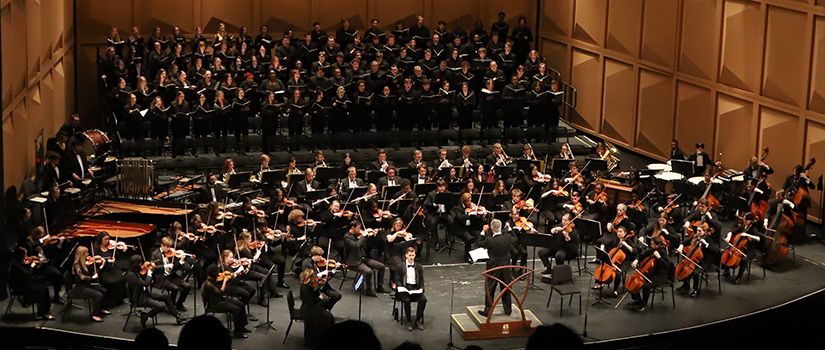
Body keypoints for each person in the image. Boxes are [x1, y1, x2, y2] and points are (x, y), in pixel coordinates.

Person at [125, 255, 186, 327]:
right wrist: (149, 275)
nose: (141, 265)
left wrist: (154, 268)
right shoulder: (131, 276)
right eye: (140, 264)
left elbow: (150, 272)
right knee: (161, 306)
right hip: (139, 299)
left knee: (166, 297)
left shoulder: (136, 271)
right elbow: (145, 284)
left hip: (144, 294)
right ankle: (146, 316)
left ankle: (177, 317)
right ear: (136, 264)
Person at [477, 219, 517, 317]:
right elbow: (515, 238)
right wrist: (510, 229)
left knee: (490, 288)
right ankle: (508, 309)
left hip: (493, 267)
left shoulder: (490, 240)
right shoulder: (507, 237)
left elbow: (479, 243)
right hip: (506, 266)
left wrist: (483, 232)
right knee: (506, 287)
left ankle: (488, 310)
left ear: (491, 228)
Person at [201, 266, 250, 339]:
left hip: (221, 299)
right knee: (236, 310)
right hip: (215, 304)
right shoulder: (208, 284)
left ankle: (242, 327)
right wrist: (224, 281)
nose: (218, 274)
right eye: (217, 272)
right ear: (213, 273)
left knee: (241, 304)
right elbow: (220, 292)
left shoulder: (214, 280)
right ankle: (237, 332)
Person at [343, 220, 388, 297]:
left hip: (363, 258)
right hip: (354, 261)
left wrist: (372, 237)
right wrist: (363, 236)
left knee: (381, 266)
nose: (360, 230)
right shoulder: (346, 237)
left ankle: (380, 286)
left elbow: (369, 246)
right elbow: (355, 246)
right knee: (368, 271)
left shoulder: (359, 236)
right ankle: (368, 290)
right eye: (358, 228)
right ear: (353, 227)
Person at [628, 236, 671, 311]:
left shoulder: (663, 252)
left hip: (659, 276)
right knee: (633, 280)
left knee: (646, 286)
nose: (651, 246)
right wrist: (636, 260)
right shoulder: (651, 250)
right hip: (649, 273)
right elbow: (641, 255)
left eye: (652, 244)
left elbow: (667, 265)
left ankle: (643, 304)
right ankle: (637, 300)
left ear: (658, 245)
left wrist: (659, 258)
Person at [150, 237, 191, 311]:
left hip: (171, 276)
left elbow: (175, 267)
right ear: (162, 245)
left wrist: (181, 260)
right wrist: (166, 266)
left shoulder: (171, 254)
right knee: (175, 288)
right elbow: (154, 268)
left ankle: (179, 304)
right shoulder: (155, 254)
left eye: (170, 247)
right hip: (162, 278)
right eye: (167, 247)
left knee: (187, 286)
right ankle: (171, 306)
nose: (169, 249)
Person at [298, 268, 335, 347]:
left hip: (311, 306)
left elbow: (313, 294)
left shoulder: (309, 284)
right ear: (309, 278)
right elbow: (311, 301)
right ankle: (321, 338)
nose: (315, 278)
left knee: (327, 313)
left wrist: (320, 286)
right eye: (313, 277)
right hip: (308, 309)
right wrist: (319, 298)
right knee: (328, 317)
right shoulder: (304, 288)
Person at [72, 246, 109, 322]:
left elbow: (93, 273)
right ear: (82, 254)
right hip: (80, 288)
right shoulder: (77, 265)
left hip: (87, 285)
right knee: (98, 295)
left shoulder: (86, 262)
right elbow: (82, 277)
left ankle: (100, 308)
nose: (88, 254)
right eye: (86, 253)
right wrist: (92, 277)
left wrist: (101, 266)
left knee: (103, 290)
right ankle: (94, 314)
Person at [394, 247, 427, 331]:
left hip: (415, 288)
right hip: (405, 288)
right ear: (406, 256)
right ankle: (408, 321)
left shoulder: (418, 266)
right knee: (407, 300)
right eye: (410, 255)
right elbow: (397, 280)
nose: (411, 257)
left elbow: (422, 279)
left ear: (415, 255)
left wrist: (422, 288)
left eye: (413, 255)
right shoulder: (400, 266)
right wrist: (401, 287)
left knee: (423, 299)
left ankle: (418, 320)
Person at [300, 246, 342, 311]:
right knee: (324, 299)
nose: (321, 258)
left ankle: (326, 309)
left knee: (337, 296)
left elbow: (327, 276)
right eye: (319, 256)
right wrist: (321, 274)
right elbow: (309, 278)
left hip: (322, 284)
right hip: (313, 287)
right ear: (314, 255)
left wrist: (334, 269)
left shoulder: (319, 263)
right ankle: (319, 311)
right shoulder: (306, 263)